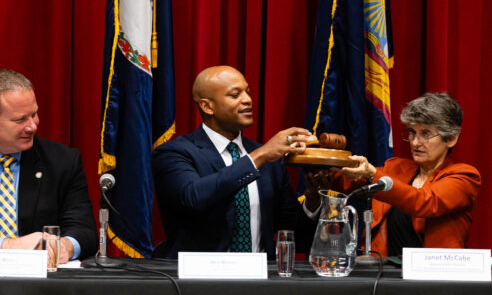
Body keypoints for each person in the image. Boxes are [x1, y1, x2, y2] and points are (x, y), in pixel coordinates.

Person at [152, 65, 316, 259]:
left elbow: (295, 235)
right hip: (199, 282)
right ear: (207, 106)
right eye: (235, 95)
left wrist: (314, 194)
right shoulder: (175, 152)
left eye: (247, 92)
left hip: (262, 281)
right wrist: (260, 156)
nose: (247, 100)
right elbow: (193, 197)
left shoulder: (267, 159)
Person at [306, 93, 481, 257]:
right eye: (412, 132)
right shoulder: (396, 168)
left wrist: (372, 173)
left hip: (435, 278)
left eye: (425, 134)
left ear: (451, 138)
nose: (415, 142)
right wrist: (318, 161)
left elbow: (424, 202)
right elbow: (345, 183)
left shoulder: (465, 177)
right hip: (385, 275)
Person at [0, 69, 98, 263]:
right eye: (20, 119)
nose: (33, 126)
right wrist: (7, 245)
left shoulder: (62, 161)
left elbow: (84, 230)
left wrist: (66, 247)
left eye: (34, 114)